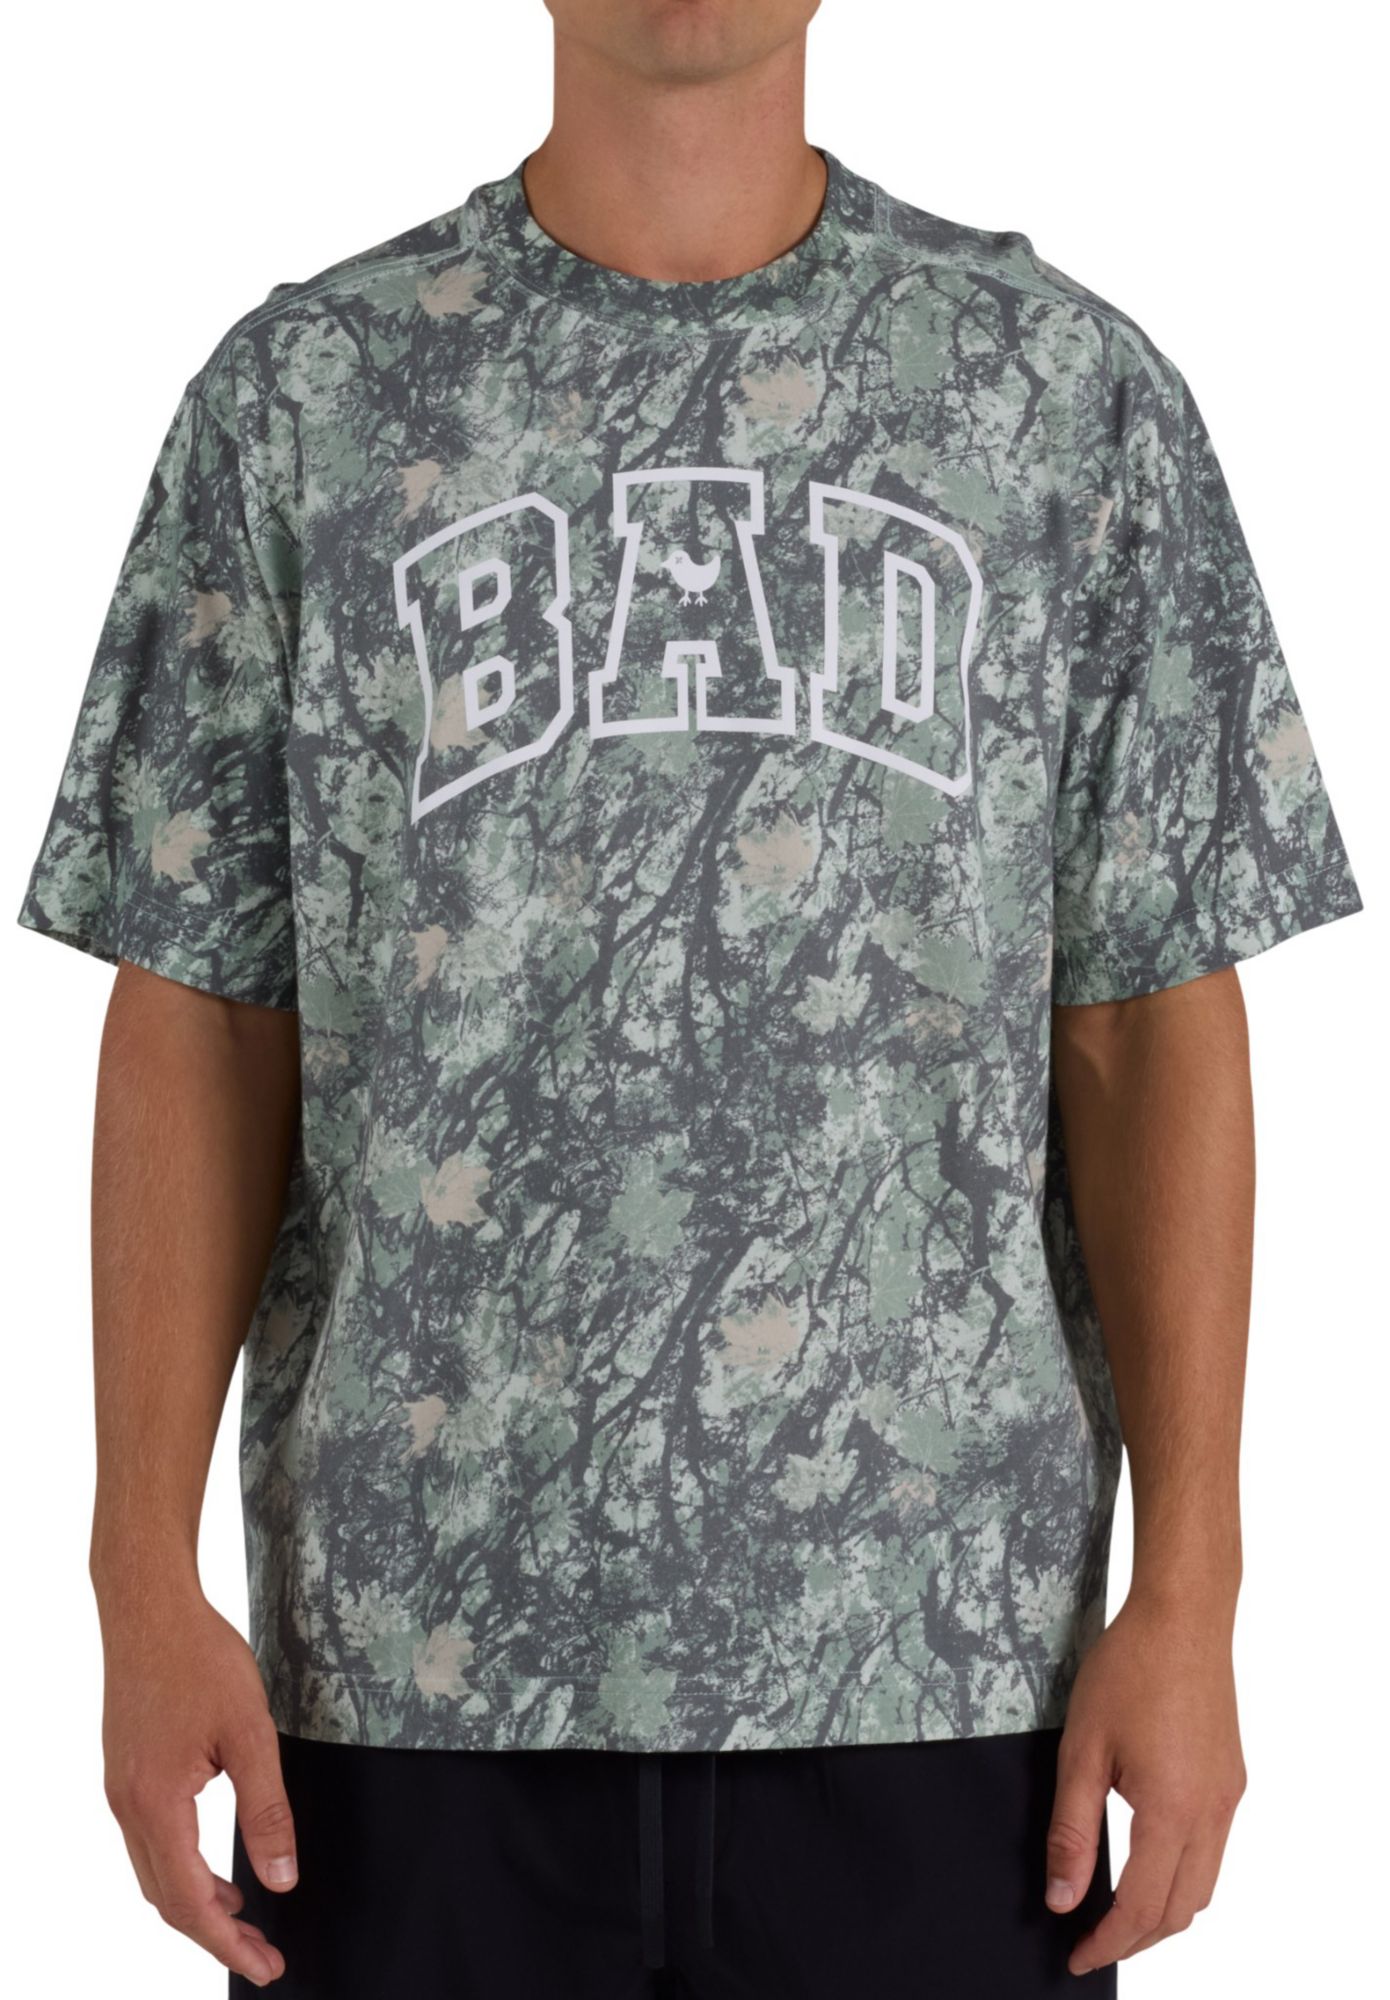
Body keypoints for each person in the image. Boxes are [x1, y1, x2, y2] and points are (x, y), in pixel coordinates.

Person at [18, 1, 1362, 1994]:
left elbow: (1148, 1017)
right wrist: (137, 1576)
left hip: (943, 1673)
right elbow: (203, 1008)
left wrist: (1189, 1594)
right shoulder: (308, 398)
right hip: (406, 1677)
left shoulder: (1056, 398)